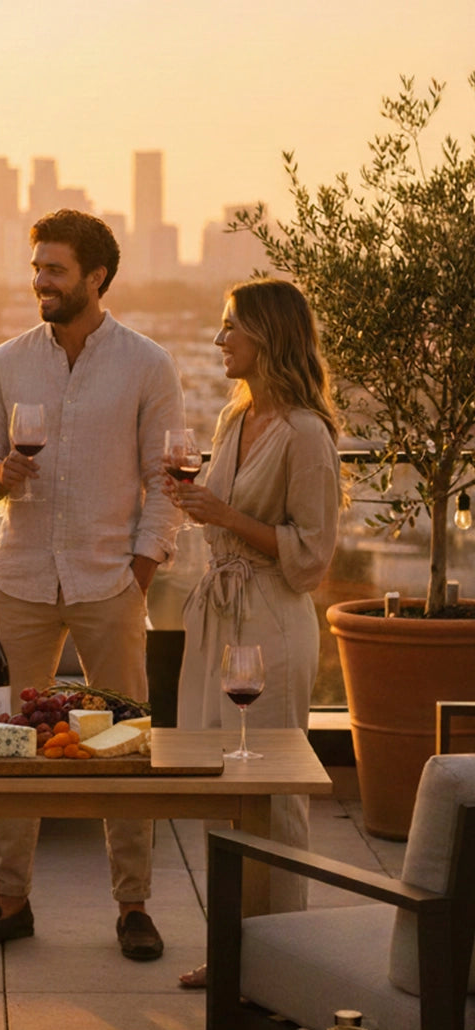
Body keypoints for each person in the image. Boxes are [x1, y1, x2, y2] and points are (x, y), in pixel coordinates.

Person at [0, 209, 185, 959]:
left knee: (123, 746)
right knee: (6, 744)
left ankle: (134, 906)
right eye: (36, 268)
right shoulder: (6, 361)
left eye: (54, 270)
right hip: (18, 575)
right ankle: (9, 900)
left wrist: (140, 569)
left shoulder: (148, 364)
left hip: (108, 579)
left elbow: (164, 479)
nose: (39, 282)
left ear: (96, 277)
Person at [169, 277, 341, 988]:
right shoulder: (232, 423)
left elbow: (312, 553)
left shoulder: (308, 435)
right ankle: (233, 951)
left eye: (231, 326)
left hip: (271, 619)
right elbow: (220, 515)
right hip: (219, 615)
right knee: (220, 787)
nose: (219, 340)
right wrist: (192, 504)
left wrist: (223, 516)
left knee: (272, 791)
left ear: (267, 336)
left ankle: (283, 956)